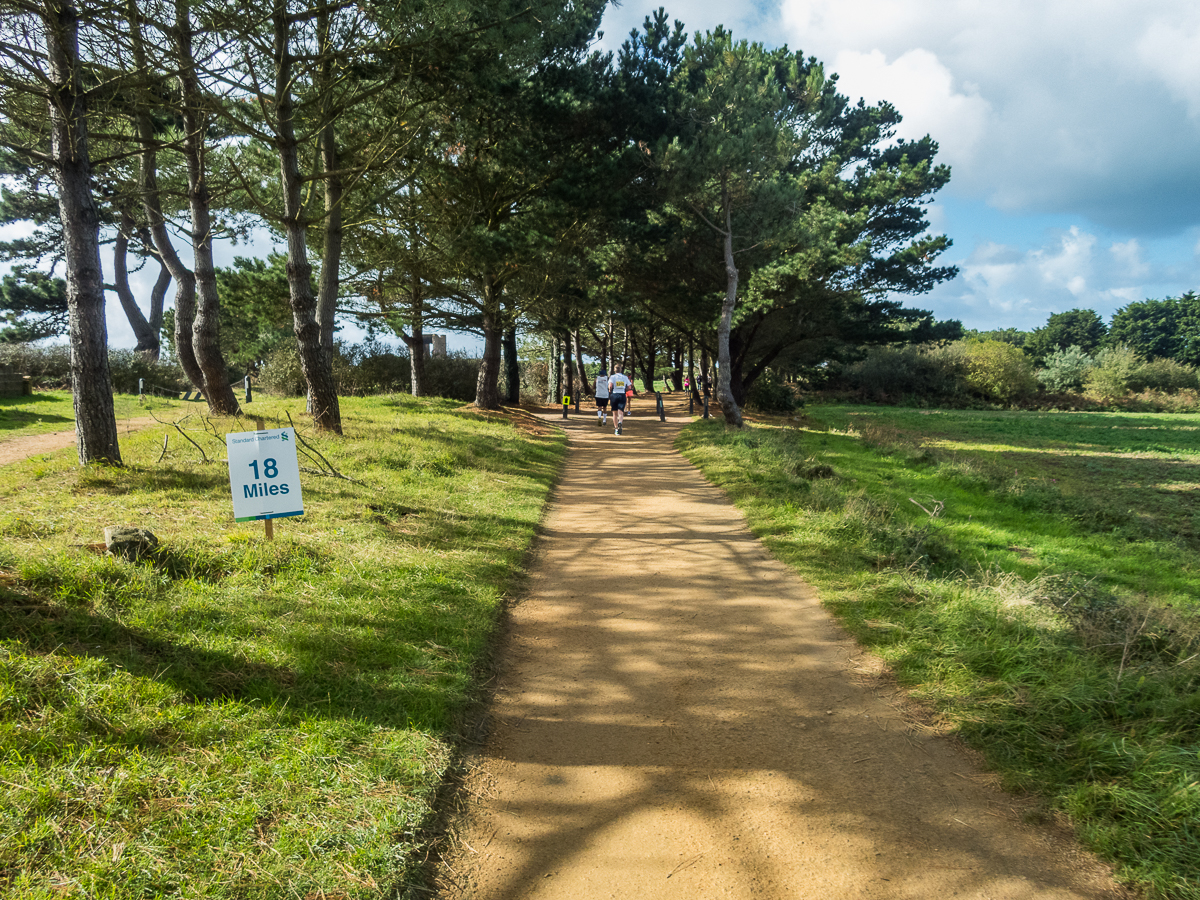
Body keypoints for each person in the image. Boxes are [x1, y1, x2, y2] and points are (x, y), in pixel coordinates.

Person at [607, 364, 631, 435]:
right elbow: (629, 387)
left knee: (614, 413)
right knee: (621, 412)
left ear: (614, 370)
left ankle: (616, 429)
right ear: (621, 370)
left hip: (614, 394)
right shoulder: (625, 377)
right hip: (622, 394)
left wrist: (609, 390)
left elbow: (610, 386)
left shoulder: (612, 377)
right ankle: (620, 422)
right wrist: (624, 389)